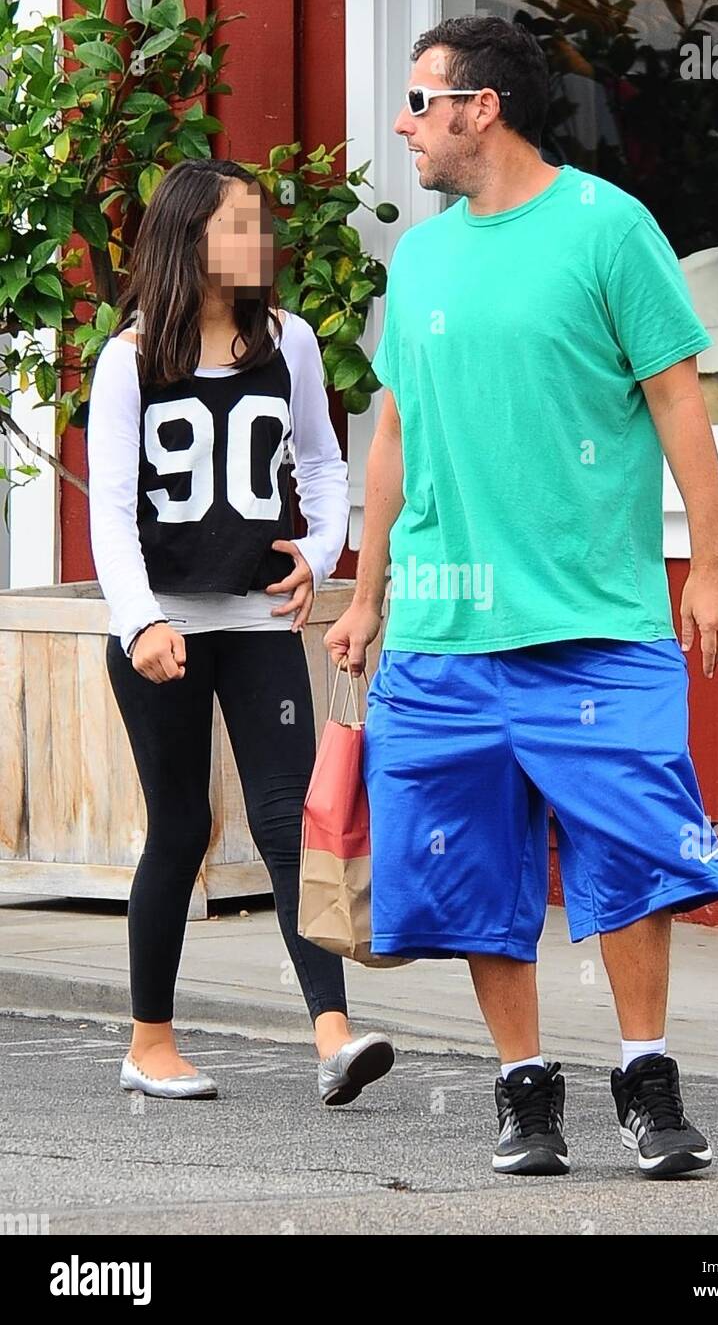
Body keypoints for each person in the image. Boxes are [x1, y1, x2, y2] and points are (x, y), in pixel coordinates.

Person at [326, 18, 718, 1178]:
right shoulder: (425, 260)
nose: (403, 124)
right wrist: (368, 598)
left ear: (482, 107)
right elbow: (394, 431)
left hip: (597, 623)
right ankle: (523, 1087)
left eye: (419, 99)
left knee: (634, 854)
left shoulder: (607, 229)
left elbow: (675, 398)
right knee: (466, 871)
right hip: (447, 633)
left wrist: (709, 565)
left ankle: (645, 1075)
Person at [87, 158, 394, 1104]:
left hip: (261, 617)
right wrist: (139, 621)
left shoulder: (290, 341)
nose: (259, 240)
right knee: (178, 828)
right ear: (189, 239)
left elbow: (325, 464)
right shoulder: (130, 357)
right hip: (164, 627)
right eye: (238, 225)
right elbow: (109, 510)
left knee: (287, 817)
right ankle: (150, 1042)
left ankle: (333, 1036)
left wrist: (323, 552)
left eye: (261, 224)